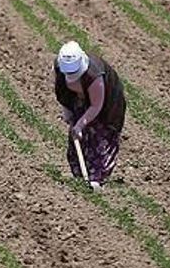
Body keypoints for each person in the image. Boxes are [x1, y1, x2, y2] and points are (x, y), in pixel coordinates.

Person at [54, 40, 126, 190]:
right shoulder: (59, 68)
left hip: (106, 106)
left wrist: (81, 124)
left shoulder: (94, 76)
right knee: (77, 137)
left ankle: (97, 178)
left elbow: (96, 105)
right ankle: (79, 174)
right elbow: (61, 91)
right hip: (79, 101)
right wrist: (68, 112)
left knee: (99, 137)